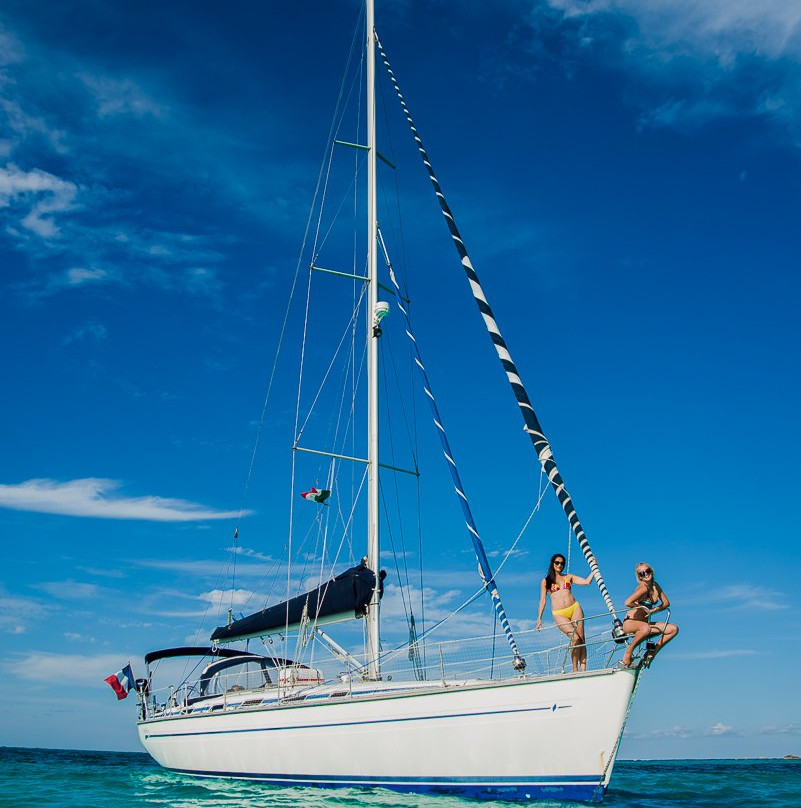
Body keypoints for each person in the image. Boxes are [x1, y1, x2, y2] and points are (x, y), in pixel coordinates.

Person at [536, 553, 596, 672]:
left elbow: (586, 582)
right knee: (575, 638)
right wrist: (539, 618)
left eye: (562, 563)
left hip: (575, 608)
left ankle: (583, 669)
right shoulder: (546, 581)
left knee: (582, 639)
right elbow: (542, 600)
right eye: (557, 563)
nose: (560, 565)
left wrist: (594, 568)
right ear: (552, 564)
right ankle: (575, 669)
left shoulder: (569, 577)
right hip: (559, 613)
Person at [621, 562, 679, 668]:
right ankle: (628, 653)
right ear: (640, 577)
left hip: (644, 625)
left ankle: (650, 654)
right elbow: (627, 602)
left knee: (673, 629)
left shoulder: (654, 586)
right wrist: (642, 608)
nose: (646, 574)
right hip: (630, 623)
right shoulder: (643, 588)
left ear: (651, 571)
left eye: (647, 571)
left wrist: (653, 611)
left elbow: (666, 603)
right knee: (645, 628)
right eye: (642, 573)